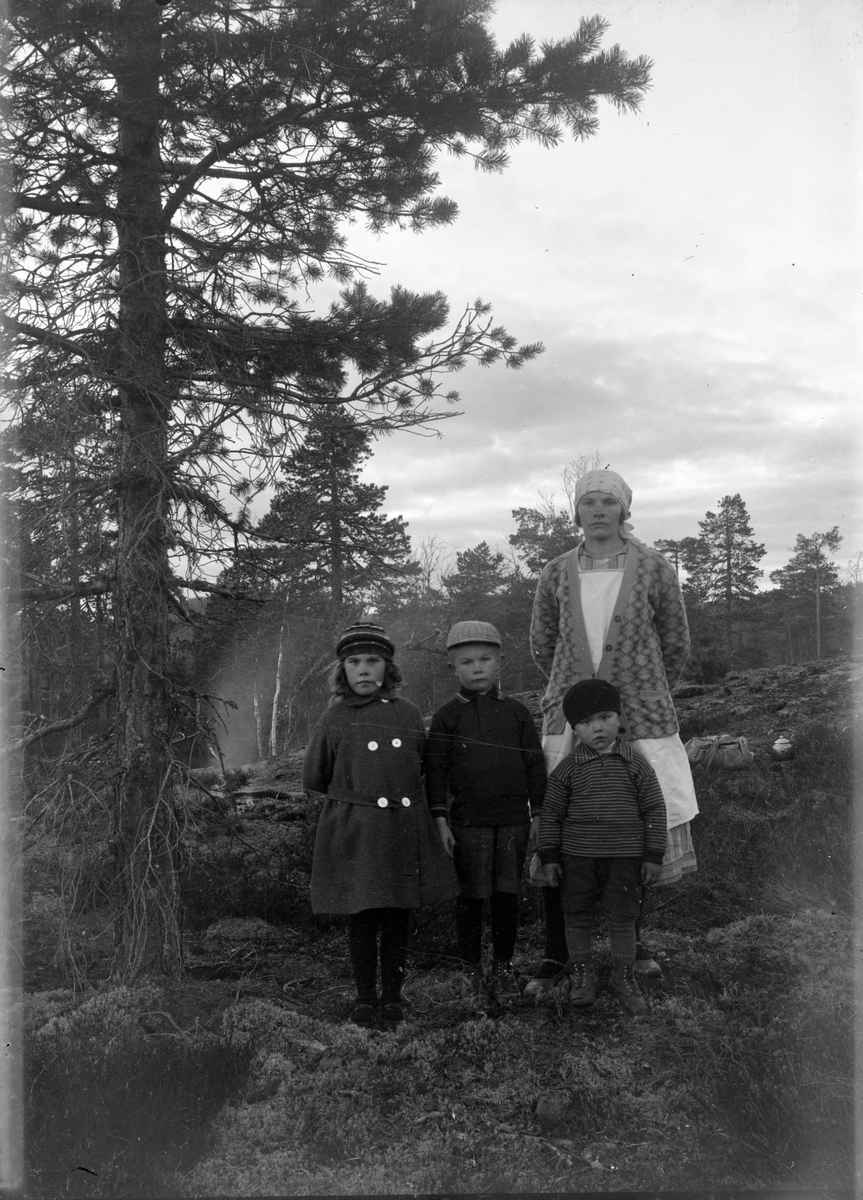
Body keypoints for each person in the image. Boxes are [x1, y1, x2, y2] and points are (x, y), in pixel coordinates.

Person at [525, 468, 698, 997]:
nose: (598, 510)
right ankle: (558, 951)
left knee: (634, 826)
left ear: (624, 509)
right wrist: (571, 693)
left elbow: (675, 642)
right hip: (568, 720)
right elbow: (542, 642)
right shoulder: (555, 571)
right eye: (589, 502)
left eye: (608, 502)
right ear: (576, 512)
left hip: (640, 718)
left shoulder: (654, 568)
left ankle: (634, 944)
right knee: (562, 826)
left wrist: (638, 685)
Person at [303, 622, 459, 1029]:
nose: (364, 669)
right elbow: (314, 777)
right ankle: (364, 999)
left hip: (401, 829)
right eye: (354, 662)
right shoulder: (334, 717)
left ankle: (392, 998)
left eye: (373, 661)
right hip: (357, 831)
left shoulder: (406, 713)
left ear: (387, 667)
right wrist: (357, 799)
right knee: (362, 916)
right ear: (342, 671)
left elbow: (421, 765)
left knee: (396, 918)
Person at [425, 621, 546, 1001]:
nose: (477, 668)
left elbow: (534, 767)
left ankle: (504, 966)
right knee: (471, 898)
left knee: (506, 896)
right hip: (468, 825)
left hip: (513, 822)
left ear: (501, 663)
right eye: (467, 661)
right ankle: (472, 971)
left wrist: (539, 814)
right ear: (453, 667)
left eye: (485, 659)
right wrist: (441, 820)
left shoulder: (517, 713)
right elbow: (436, 773)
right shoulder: (446, 718)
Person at [538, 679, 667, 1017]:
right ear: (574, 729)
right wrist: (549, 857)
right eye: (585, 722)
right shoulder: (566, 770)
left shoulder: (636, 764)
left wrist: (653, 856)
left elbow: (654, 808)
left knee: (623, 919)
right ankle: (582, 975)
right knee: (577, 917)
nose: (596, 728)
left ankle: (624, 979)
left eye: (605, 717)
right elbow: (550, 814)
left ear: (619, 717)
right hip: (578, 859)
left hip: (625, 859)